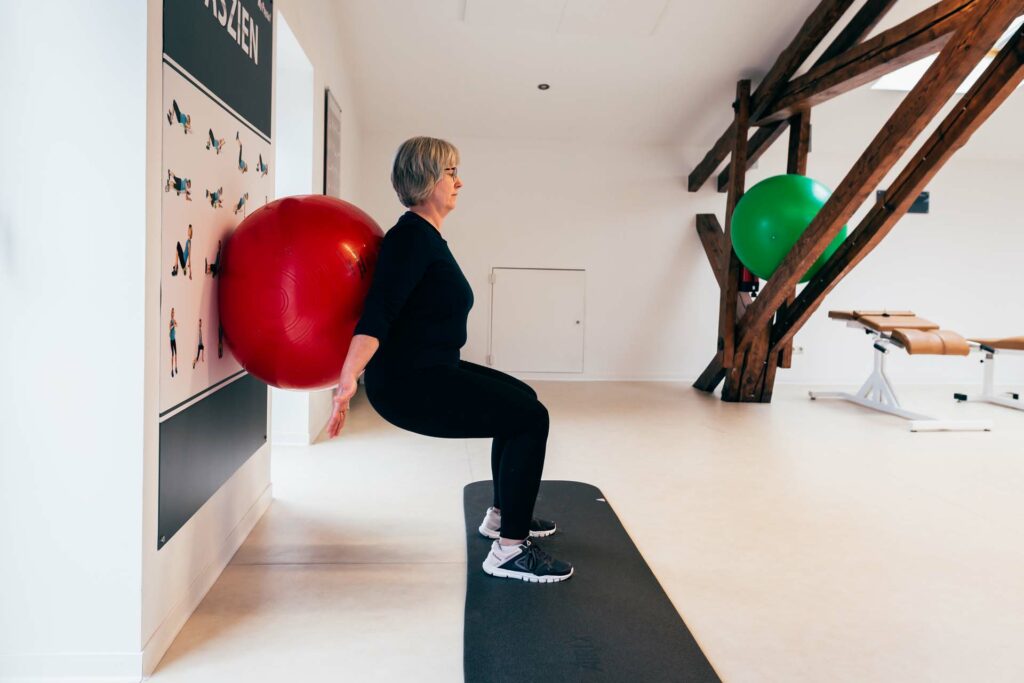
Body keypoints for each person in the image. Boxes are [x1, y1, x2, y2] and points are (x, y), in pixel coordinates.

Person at [326, 137, 572, 583]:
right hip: (409, 384)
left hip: (434, 368)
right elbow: (378, 314)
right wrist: (346, 383)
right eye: (451, 173)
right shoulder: (409, 240)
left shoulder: (426, 236)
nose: (460, 181)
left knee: (524, 400)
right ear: (426, 180)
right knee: (530, 418)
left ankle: (502, 516)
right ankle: (510, 551)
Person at [169, 308, 179, 377]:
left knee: (176, 354)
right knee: (172, 354)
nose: (173, 314)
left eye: (173, 313)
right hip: (171, 340)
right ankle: (172, 369)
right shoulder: (170, 321)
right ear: (171, 314)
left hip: (174, 339)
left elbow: (177, 325)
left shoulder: (174, 320)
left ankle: (176, 367)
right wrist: (173, 325)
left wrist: (175, 324)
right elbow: (169, 328)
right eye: (172, 313)